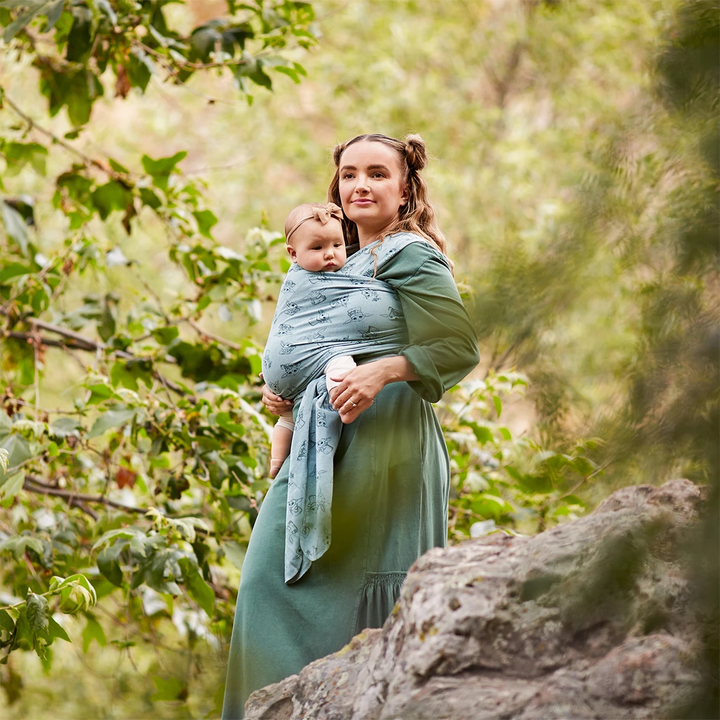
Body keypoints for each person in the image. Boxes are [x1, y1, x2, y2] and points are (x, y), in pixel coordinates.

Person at [222, 133, 480, 719]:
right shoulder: (324, 255)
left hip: (386, 443)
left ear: (405, 186)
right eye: (349, 174)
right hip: (321, 436)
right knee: (267, 585)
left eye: (377, 174)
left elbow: (459, 345)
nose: (360, 184)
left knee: (372, 605)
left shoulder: (408, 254)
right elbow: (307, 332)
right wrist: (284, 385)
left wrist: (384, 372)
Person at [268, 201, 357, 479]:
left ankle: (275, 462)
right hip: (303, 359)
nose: (330, 254)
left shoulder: (302, 276)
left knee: (287, 418)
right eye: (318, 248)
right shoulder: (305, 280)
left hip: (282, 378)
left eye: (337, 245)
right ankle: (347, 404)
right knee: (340, 360)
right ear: (293, 254)